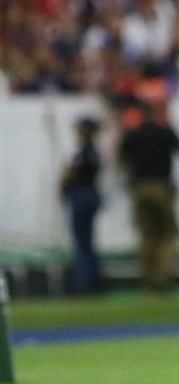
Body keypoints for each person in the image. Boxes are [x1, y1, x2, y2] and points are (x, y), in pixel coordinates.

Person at [118, 102, 179, 293]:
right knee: (168, 234)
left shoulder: (132, 134)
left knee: (146, 236)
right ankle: (163, 278)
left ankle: (148, 281)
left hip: (139, 188)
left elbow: (120, 159)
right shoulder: (165, 132)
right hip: (161, 187)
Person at [60, 116, 103, 294]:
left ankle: (85, 283)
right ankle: (91, 280)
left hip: (82, 195)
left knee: (82, 241)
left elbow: (71, 174)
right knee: (86, 241)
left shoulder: (84, 151)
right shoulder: (92, 151)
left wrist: (63, 183)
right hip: (89, 195)